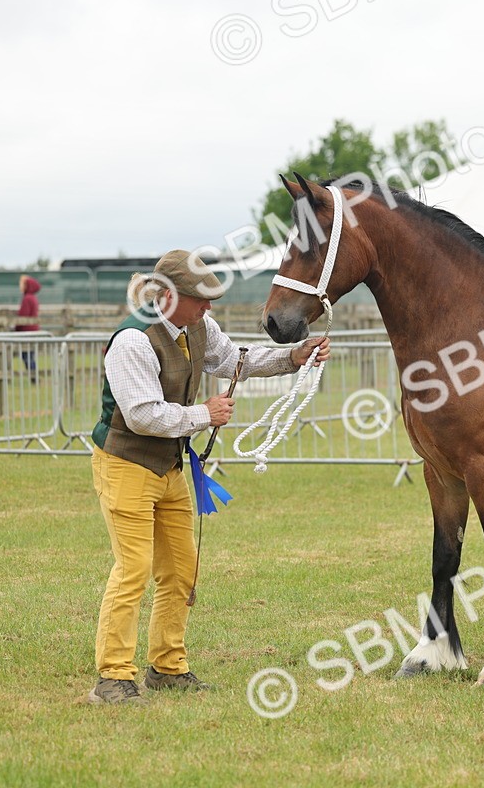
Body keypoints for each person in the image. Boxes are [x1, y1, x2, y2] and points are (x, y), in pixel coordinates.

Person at [88, 250, 331, 705]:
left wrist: (293, 357)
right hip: (125, 465)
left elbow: (235, 358)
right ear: (168, 296)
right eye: (201, 299)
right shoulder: (132, 341)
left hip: (169, 466)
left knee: (181, 570)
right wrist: (205, 413)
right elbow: (141, 416)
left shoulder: (197, 327)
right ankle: (113, 678)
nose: (209, 307)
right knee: (133, 570)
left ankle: (167, 667)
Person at [15, 275, 42, 381]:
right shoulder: (33, 298)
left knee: (27, 356)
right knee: (29, 355)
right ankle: (34, 377)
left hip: (27, 331)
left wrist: (16, 327)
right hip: (33, 331)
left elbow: (23, 316)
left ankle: (34, 377)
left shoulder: (27, 299)